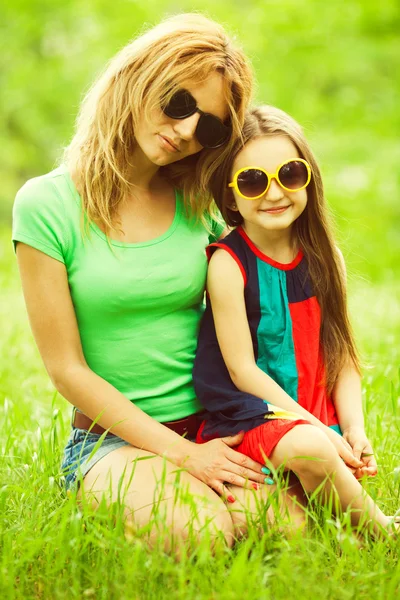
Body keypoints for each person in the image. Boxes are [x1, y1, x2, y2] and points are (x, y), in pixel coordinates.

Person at [12, 14, 270, 554]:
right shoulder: (47, 204)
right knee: (208, 537)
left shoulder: (200, 205)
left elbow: (266, 299)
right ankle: (104, 505)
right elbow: (66, 370)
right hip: (110, 441)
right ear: (139, 77)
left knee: (288, 529)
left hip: (211, 424)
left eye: (209, 127)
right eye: (179, 104)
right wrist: (182, 458)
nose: (185, 131)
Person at [193, 105, 399, 537]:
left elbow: (341, 356)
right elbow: (242, 371)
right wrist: (315, 430)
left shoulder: (327, 260)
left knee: (310, 520)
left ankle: (338, 512)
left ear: (308, 178)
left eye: (289, 174)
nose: (273, 193)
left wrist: (353, 431)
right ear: (230, 196)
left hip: (315, 421)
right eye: (252, 181)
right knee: (292, 524)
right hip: (254, 417)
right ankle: (383, 531)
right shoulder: (228, 265)